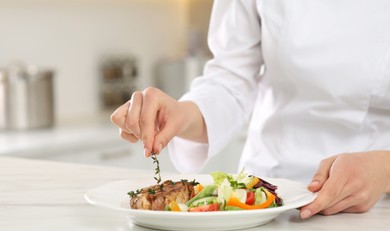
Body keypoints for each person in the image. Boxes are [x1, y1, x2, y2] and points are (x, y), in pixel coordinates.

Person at [111, 1, 390, 219]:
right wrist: (182, 114)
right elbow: (231, 78)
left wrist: (385, 169)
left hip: (376, 208)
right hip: (263, 199)